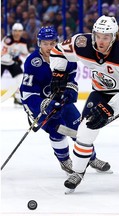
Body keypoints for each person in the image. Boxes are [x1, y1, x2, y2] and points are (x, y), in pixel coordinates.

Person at [49, 15, 119, 191]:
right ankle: (78, 172)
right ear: (93, 33)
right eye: (98, 35)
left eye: (106, 37)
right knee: (84, 131)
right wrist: (58, 72)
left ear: (114, 37)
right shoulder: (81, 42)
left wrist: (109, 109)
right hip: (101, 94)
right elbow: (58, 51)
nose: (101, 41)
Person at [20, 26, 111, 175]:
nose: (49, 47)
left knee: (80, 131)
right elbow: (27, 94)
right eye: (45, 43)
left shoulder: (66, 56)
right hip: (40, 104)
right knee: (58, 131)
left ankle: (91, 158)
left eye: (52, 43)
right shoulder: (32, 62)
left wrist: (70, 90)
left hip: (61, 101)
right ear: (39, 43)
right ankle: (64, 160)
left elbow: (71, 78)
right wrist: (43, 105)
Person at [1, 23, 29, 105]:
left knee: (20, 79)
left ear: (22, 32)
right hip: (2, 62)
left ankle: (17, 97)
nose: (17, 33)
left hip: (12, 63)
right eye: (15, 31)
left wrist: (20, 58)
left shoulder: (23, 41)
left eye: (19, 31)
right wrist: (15, 58)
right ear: (12, 31)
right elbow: (2, 53)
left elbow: (25, 53)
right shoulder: (8, 40)